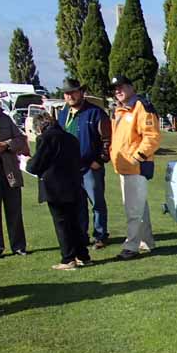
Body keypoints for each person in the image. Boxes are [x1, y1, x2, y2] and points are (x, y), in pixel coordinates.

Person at [26, 112, 92, 270]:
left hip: (55, 187)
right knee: (75, 223)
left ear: (39, 127)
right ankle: (83, 256)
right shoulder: (71, 138)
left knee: (62, 224)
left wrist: (27, 162)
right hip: (74, 185)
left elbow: (35, 165)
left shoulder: (45, 138)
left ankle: (68, 258)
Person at [109, 75, 161, 260]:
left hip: (136, 167)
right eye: (115, 88)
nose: (118, 91)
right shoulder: (120, 109)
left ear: (131, 87)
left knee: (133, 209)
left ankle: (131, 246)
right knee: (139, 207)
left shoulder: (141, 106)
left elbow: (152, 136)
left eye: (121, 87)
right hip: (124, 167)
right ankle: (146, 241)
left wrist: (137, 157)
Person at [58, 78, 112, 249]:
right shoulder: (63, 114)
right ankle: (82, 235)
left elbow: (107, 139)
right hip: (70, 168)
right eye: (66, 93)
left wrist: (100, 160)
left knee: (97, 203)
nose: (70, 96)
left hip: (90, 167)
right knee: (77, 204)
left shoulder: (95, 113)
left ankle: (100, 235)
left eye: (73, 92)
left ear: (81, 92)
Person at [0, 84, 29, 259]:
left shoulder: (5, 118)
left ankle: (19, 246)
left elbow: (20, 139)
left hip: (9, 171)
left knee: (14, 211)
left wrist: (6, 145)